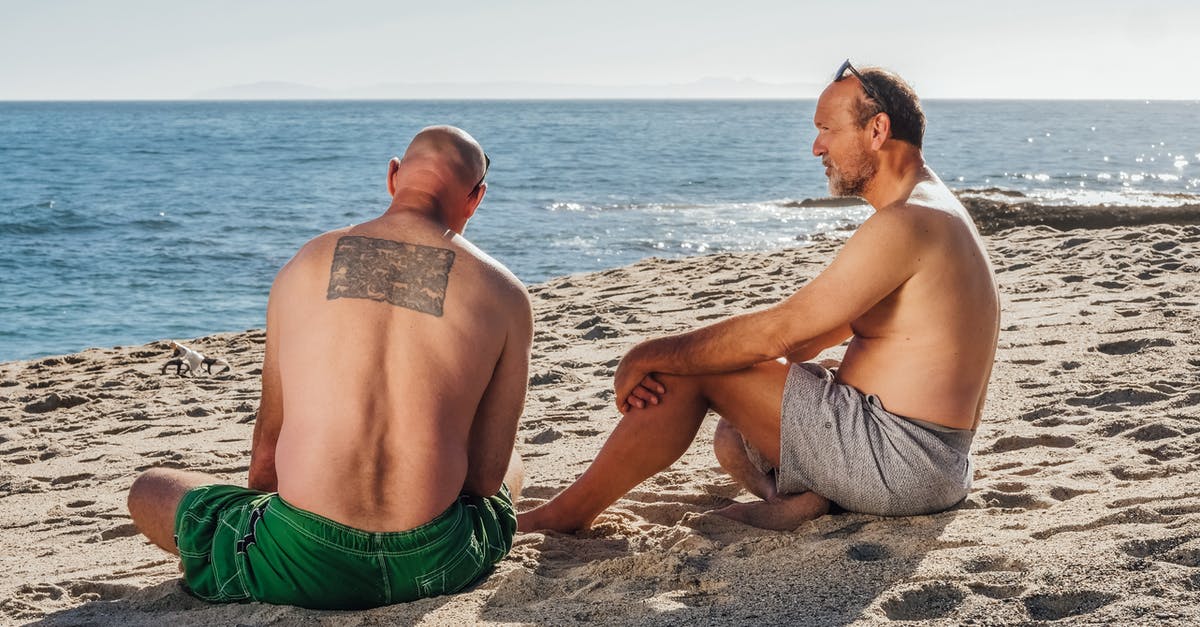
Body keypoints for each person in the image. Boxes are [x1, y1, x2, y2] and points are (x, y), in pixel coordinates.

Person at [518, 61, 999, 533]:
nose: (816, 147)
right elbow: (804, 340)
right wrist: (748, 374)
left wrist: (650, 354)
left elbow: (780, 331)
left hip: (899, 460)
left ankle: (566, 515)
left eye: (827, 129)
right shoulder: (934, 210)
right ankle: (789, 499)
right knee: (733, 431)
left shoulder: (907, 222)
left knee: (685, 372)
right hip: (936, 464)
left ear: (877, 130)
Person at [127, 126, 533, 609]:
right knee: (512, 462)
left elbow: (264, 463)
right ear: (476, 198)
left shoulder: (303, 266)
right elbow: (485, 480)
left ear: (393, 175)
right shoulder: (505, 294)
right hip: (435, 562)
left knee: (149, 489)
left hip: (301, 561)